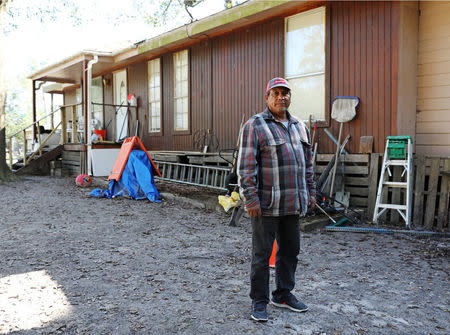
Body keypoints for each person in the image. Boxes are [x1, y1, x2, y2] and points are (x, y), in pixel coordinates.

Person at [237, 77, 316, 322]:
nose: (282, 97)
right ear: (267, 97)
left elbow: (308, 165)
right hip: (266, 205)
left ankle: (282, 294)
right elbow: (245, 167)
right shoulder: (255, 125)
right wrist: (250, 199)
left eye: (286, 93)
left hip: (293, 203)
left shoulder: (299, 126)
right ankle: (259, 301)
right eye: (276, 93)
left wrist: (311, 192)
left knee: (290, 251)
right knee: (261, 256)